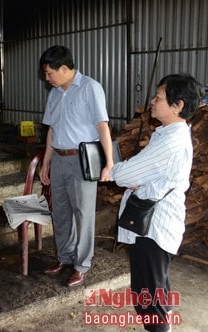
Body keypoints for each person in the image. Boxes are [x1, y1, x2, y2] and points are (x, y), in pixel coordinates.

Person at [111, 74, 203, 332]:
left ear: (178, 105)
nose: (152, 102)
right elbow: (142, 174)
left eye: (158, 97)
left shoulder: (171, 142)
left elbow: (124, 175)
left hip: (154, 229)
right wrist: (135, 177)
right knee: (156, 290)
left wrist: (121, 172)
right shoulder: (168, 134)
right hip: (154, 226)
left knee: (150, 298)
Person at [37, 45, 114, 287]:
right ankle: (65, 257)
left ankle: (82, 265)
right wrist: (46, 161)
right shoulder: (55, 93)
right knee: (60, 212)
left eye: (49, 73)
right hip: (59, 158)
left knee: (83, 213)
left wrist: (109, 163)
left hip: (82, 160)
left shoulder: (91, 88)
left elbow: (102, 126)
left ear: (63, 68)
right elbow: (52, 129)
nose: (47, 79)